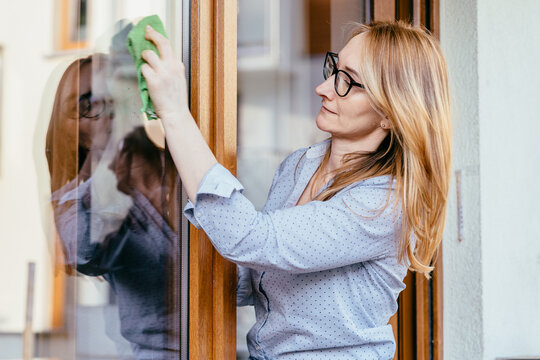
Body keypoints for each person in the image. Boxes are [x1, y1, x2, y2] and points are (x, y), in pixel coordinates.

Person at [141, 20, 452, 359]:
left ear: (391, 113)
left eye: (348, 81)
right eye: (334, 69)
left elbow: (253, 240)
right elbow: (257, 273)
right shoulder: (300, 165)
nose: (324, 88)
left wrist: (174, 113)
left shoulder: (384, 204)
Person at [46, 54, 180, 359]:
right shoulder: (72, 203)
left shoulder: (185, 169)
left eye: (116, 93)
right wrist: (109, 173)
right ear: (71, 131)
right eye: (87, 105)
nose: (107, 111)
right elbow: (84, 253)